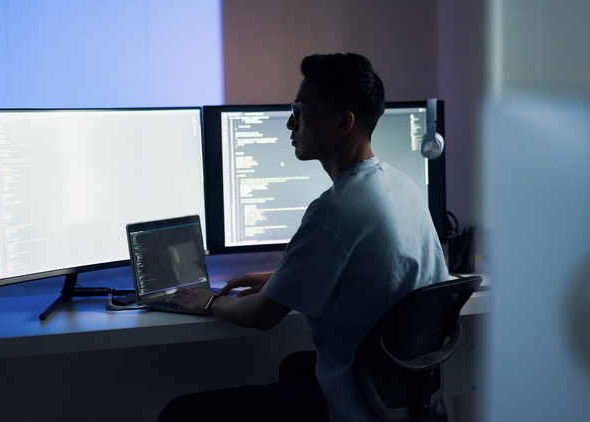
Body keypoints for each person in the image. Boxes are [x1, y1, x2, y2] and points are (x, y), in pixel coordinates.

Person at [159, 53, 447, 422]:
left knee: (180, 413)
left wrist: (208, 302)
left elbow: (262, 315)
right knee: (296, 366)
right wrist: (280, 279)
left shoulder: (336, 209)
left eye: (300, 109)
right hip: (402, 393)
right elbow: (373, 272)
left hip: (361, 404)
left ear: (344, 122)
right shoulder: (399, 184)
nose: (290, 124)